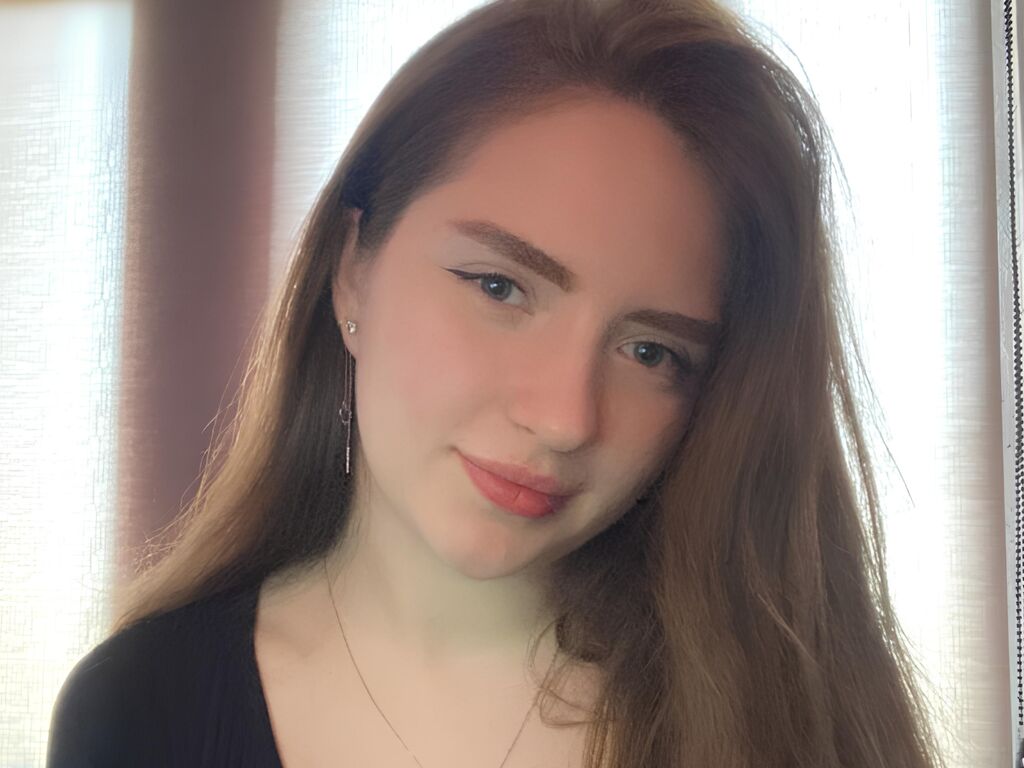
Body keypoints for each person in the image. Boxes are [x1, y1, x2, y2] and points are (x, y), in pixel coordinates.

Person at [46, 0, 947, 766]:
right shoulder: (142, 711)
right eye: (500, 287)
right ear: (353, 270)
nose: (564, 418)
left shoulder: (791, 721)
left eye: (650, 353)